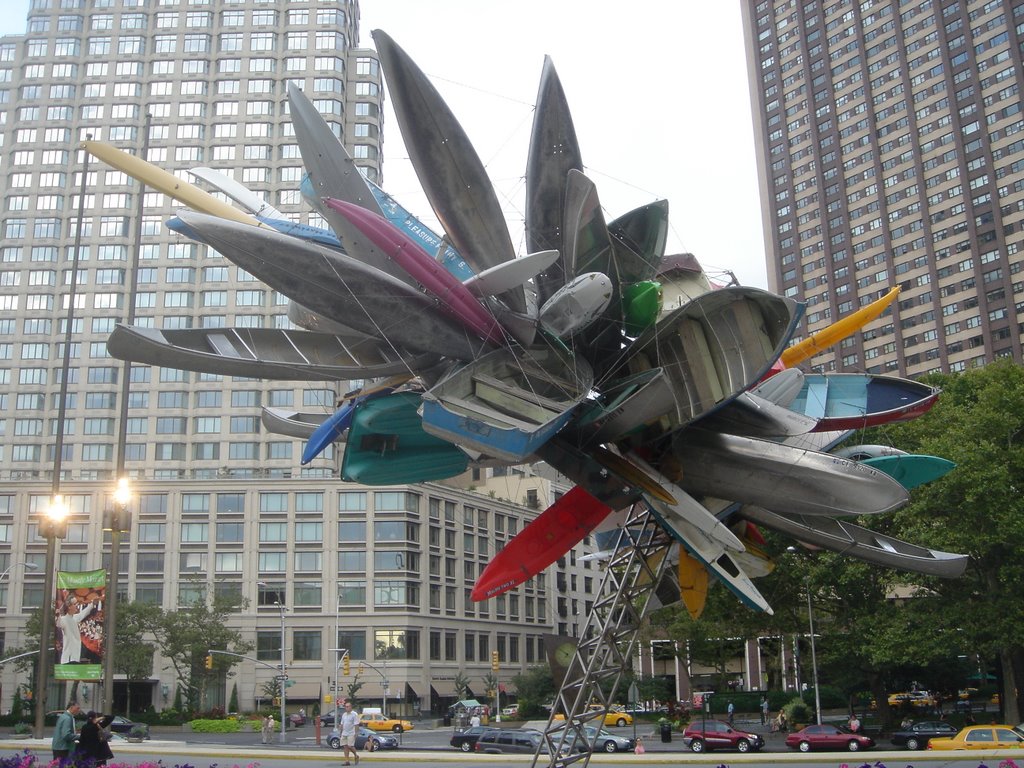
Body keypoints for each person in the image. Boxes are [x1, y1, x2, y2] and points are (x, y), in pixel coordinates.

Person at [57, 597, 98, 664]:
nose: (76, 606)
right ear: (69, 607)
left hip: (75, 657)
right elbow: (58, 623)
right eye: (74, 604)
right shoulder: (64, 619)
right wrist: (57, 615)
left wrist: (92, 604)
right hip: (68, 659)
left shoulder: (74, 618)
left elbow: (83, 614)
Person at [340, 700, 360, 766]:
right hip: (344, 733)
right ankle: (347, 761)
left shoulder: (354, 714)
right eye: (345, 707)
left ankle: (356, 755)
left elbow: (356, 724)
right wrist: (341, 732)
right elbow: (342, 724)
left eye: (348, 706)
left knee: (350, 746)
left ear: (351, 707)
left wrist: (356, 733)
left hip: (351, 732)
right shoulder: (344, 715)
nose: (346, 708)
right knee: (345, 746)